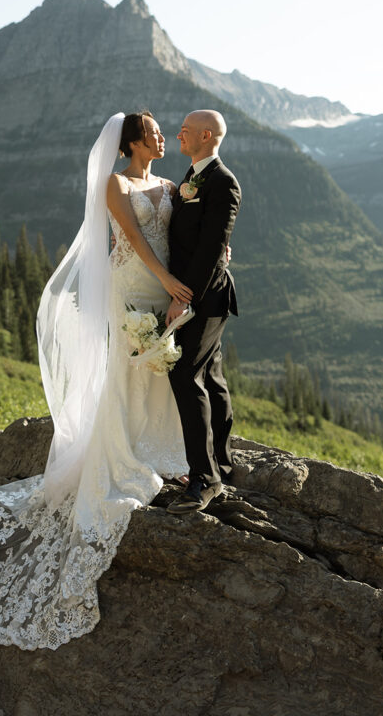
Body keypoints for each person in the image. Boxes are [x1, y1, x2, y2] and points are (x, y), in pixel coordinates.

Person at [0, 111, 192, 651]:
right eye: (151, 130)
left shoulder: (171, 184)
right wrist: (169, 280)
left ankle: (160, 446)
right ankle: (126, 453)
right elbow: (134, 239)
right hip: (135, 279)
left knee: (158, 365)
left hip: (167, 285)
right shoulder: (115, 182)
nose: (159, 135)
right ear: (131, 141)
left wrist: (197, 270)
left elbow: (184, 230)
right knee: (131, 361)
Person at [165, 110, 242, 514]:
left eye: (185, 130)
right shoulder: (190, 177)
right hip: (192, 293)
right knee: (211, 377)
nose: (178, 134)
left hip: (206, 298)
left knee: (184, 373)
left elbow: (213, 251)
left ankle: (204, 480)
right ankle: (223, 466)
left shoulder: (223, 182)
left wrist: (184, 299)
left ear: (206, 135)